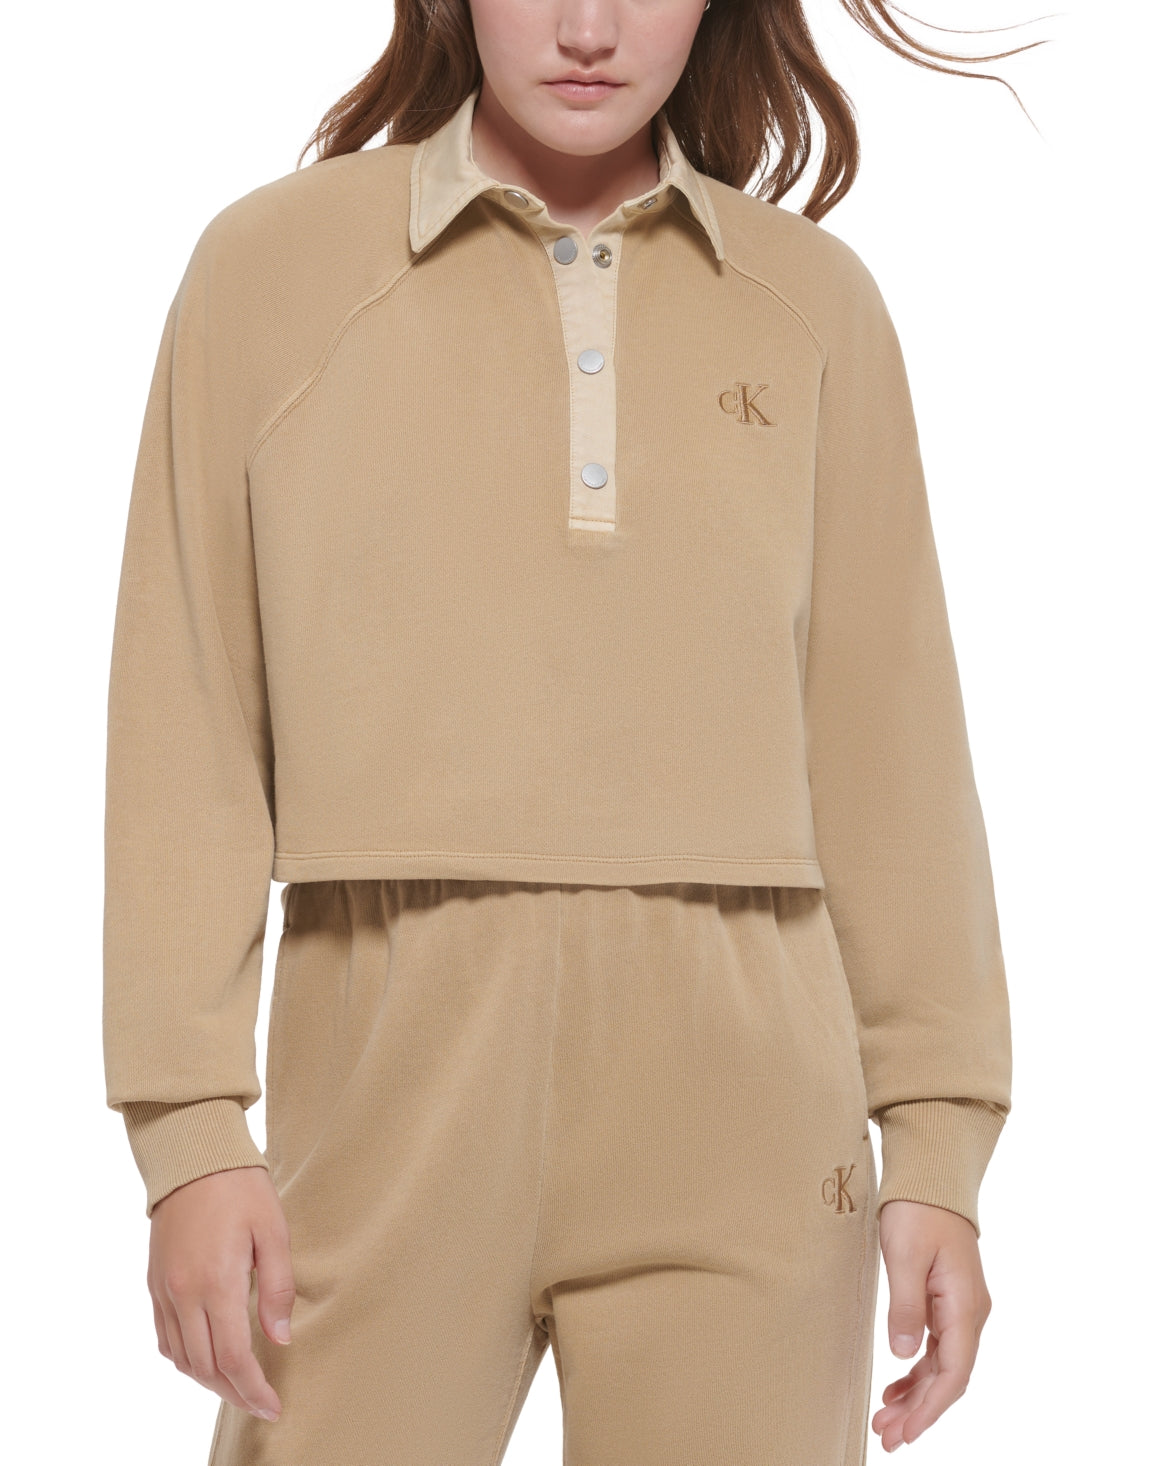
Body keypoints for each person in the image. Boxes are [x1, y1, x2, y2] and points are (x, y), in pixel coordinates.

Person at [102, 2, 1033, 1460]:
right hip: (386, 1077)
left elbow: (891, 744)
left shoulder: (812, 304)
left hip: (748, 1098)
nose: (589, 27)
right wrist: (189, 1131)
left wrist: (939, 1142)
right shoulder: (267, 273)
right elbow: (190, 711)